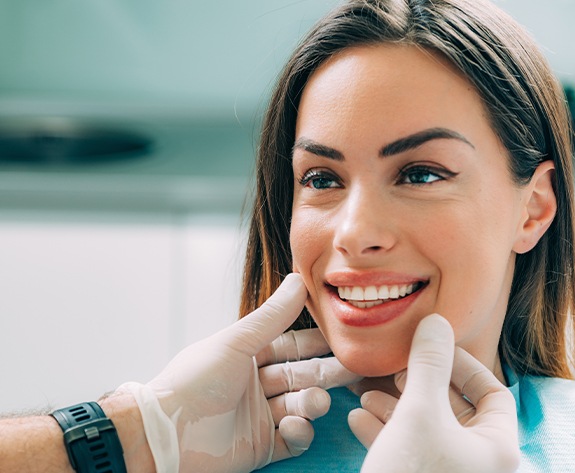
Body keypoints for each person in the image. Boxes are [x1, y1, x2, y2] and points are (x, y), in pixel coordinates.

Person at [240, 0, 575, 471]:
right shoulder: (207, 450)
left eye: (420, 175)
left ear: (534, 209)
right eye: (320, 179)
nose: (354, 234)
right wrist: (125, 435)